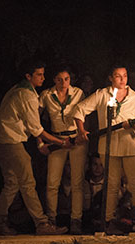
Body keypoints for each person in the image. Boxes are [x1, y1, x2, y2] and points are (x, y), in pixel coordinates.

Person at [73, 64, 135, 235]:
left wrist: (134, 126)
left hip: (130, 147)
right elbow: (79, 109)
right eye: (118, 76)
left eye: (125, 76)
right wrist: (81, 130)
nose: (122, 79)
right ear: (111, 78)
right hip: (109, 146)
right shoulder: (102, 95)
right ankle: (108, 221)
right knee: (112, 185)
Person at [0, 58, 69, 235]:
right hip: (10, 142)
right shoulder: (26, 95)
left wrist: (47, 140)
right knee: (27, 182)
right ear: (28, 76)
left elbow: (32, 127)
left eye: (43, 74)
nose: (42, 78)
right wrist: (61, 142)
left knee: (12, 183)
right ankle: (42, 224)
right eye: (38, 74)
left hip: (3, 141)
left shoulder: (20, 89)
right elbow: (37, 129)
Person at [39, 66, 87, 234]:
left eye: (66, 79)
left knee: (77, 182)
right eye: (60, 79)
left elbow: (85, 113)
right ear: (54, 80)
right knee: (53, 182)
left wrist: (82, 132)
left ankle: (76, 220)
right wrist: (40, 143)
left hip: (75, 139)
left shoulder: (78, 93)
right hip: (57, 139)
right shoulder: (46, 95)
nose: (64, 83)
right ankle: (51, 219)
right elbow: (34, 119)